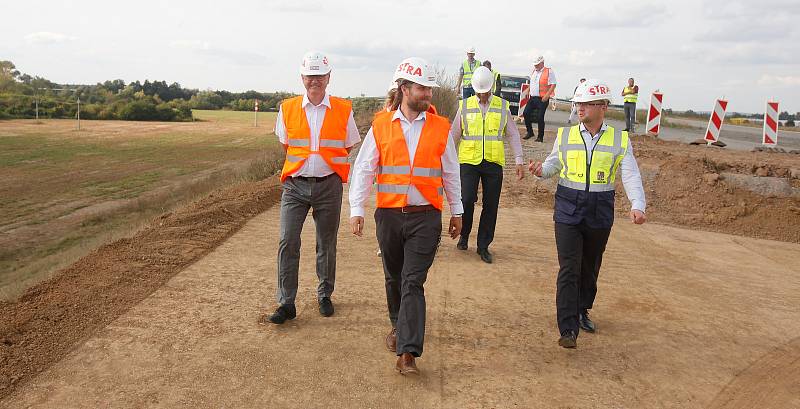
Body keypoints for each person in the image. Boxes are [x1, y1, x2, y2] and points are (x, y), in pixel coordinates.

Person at [349, 57, 463, 375]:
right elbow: (364, 169)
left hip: (426, 217)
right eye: (422, 88)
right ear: (404, 89)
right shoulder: (381, 126)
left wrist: (458, 211)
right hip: (388, 215)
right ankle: (398, 325)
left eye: (429, 88)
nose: (428, 94)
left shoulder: (440, 128)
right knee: (394, 277)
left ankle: (408, 350)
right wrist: (356, 209)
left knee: (413, 280)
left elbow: (451, 172)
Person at [528, 79, 646, 349]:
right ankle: (568, 328)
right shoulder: (566, 135)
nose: (579, 109)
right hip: (568, 208)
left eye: (585, 104)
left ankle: (583, 309)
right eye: (577, 103)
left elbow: (630, 174)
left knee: (590, 266)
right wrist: (540, 172)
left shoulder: (620, 139)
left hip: (599, 209)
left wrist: (638, 204)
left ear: (603, 106)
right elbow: (553, 165)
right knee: (569, 267)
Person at [261, 51, 361, 325]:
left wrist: (324, 161)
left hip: (329, 185)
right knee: (287, 240)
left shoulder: (343, 109)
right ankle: (286, 303)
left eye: (320, 75)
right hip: (295, 185)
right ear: (302, 77)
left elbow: (349, 143)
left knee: (325, 243)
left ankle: (324, 294)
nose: (314, 80)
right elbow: (287, 144)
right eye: (310, 76)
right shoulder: (288, 108)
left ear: (328, 77)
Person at [450, 66, 524, 264]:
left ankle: (483, 246)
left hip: (493, 162)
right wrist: (446, 161)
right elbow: (453, 136)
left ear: (491, 88)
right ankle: (464, 235)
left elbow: (513, 134)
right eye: (478, 91)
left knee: (491, 206)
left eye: (485, 90)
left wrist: (518, 159)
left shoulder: (502, 106)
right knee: (466, 199)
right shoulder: (464, 106)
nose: (481, 94)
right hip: (468, 161)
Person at [521, 56, 556, 142]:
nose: (535, 66)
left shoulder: (549, 71)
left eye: (537, 64)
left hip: (542, 98)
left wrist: (547, 95)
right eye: (535, 65)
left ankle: (540, 137)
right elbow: (532, 83)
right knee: (525, 113)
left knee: (540, 117)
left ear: (542, 63)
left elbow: (553, 84)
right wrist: (528, 91)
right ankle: (530, 132)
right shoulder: (534, 72)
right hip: (533, 97)